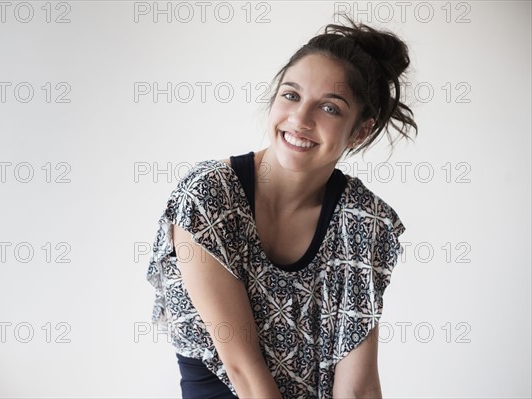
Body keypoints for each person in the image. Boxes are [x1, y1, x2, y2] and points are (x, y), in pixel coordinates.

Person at [147, 17, 418, 399]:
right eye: (291, 95)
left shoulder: (363, 221)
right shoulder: (209, 197)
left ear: (360, 131)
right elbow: (245, 374)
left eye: (330, 108)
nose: (300, 120)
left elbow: (357, 389)